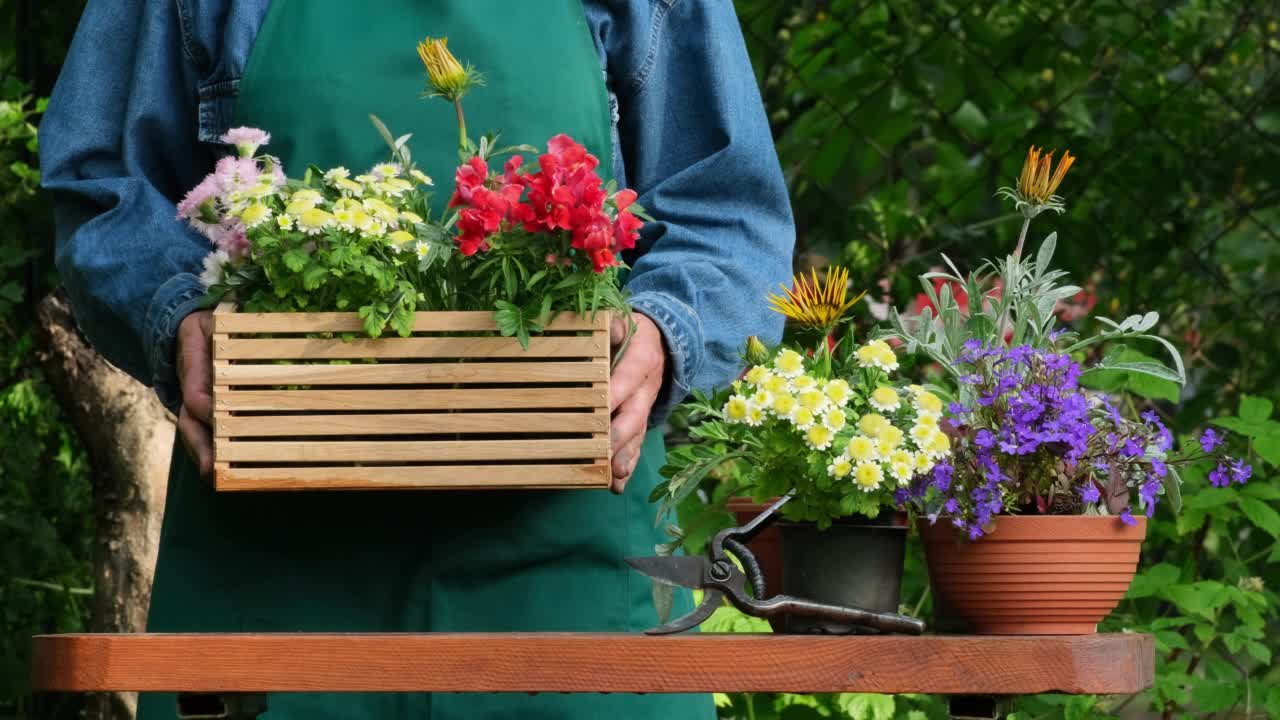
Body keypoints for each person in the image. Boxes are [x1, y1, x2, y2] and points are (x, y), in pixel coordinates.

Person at [40, 1, 794, 717]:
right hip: (273, 573)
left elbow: (728, 210)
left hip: (572, 573)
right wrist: (180, 315)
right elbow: (104, 182)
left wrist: (663, 334)